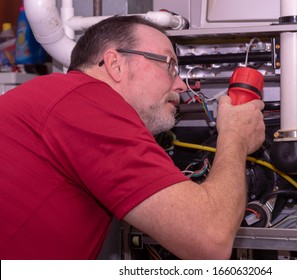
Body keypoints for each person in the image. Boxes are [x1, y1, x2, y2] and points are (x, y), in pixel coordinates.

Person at [0, 15, 265, 260]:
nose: (181, 86)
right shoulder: (86, 103)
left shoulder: (62, 98)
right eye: (169, 65)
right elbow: (210, 240)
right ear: (115, 64)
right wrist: (235, 137)